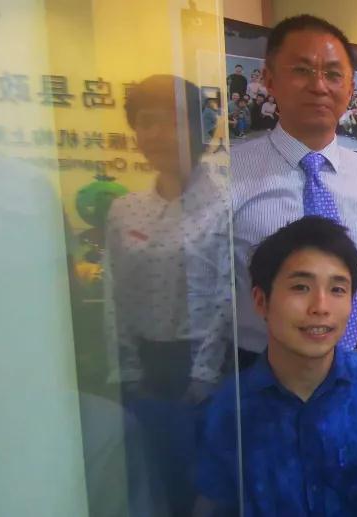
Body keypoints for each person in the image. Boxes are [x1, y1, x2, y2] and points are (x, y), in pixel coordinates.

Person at [196, 216, 357, 516]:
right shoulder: (230, 407)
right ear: (261, 301)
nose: (321, 307)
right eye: (301, 287)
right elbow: (214, 506)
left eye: (337, 290)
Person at [231, 14, 357, 369]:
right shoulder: (227, 173)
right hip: (260, 367)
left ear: (350, 88)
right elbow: (207, 288)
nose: (319, 86)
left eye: (333, 74)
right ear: (269, 79)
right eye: (302, 70)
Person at [104, 74, 231, 516]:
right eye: (147, 122)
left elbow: (227, 298)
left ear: (198, 129)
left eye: (172, 122)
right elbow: (114, 294)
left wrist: (204, 374)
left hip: (209, 372)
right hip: (142, 371)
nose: (158, 134)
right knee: (150, 486)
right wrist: (126, 368)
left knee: (204, 492)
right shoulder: (125, 210)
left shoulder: (226, 205)